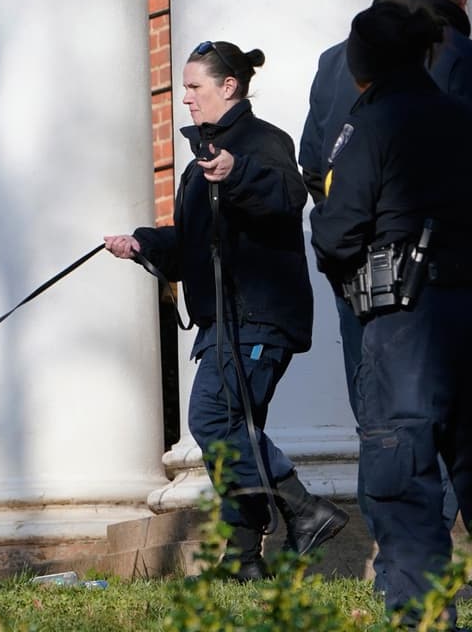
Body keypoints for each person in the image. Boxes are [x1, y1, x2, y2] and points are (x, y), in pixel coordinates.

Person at [310, 0, 472, 631]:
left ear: (361, 65)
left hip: (403, 326)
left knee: (403, 478)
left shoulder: (367, 125)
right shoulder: (470, 120)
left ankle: (425, 618)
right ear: (428, 53)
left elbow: (335, 235)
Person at [105, 40, 346, 580]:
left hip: (257, 317)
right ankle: (242, 560)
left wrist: (239, 173)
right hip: (225, 320)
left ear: (228, 87)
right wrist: (143, 245)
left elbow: (286, 198)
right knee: (238, 431)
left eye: (194, 86)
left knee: (215, 420)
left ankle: (305, 510)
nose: (184, 97)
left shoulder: (262, 144)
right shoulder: (204, 161)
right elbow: (198, 245)